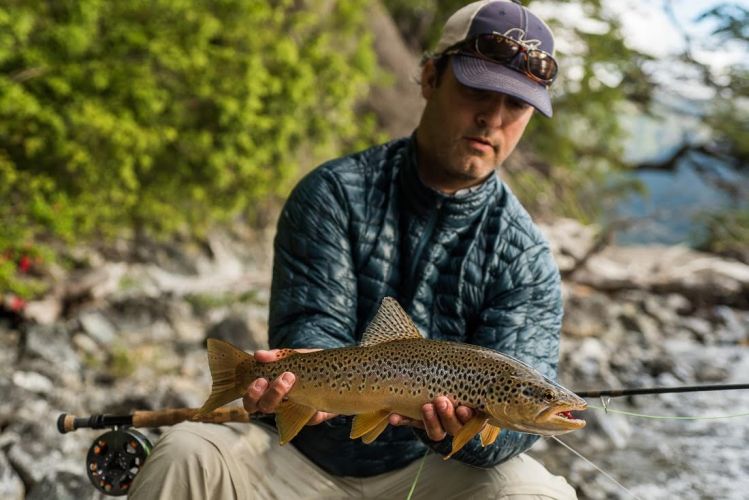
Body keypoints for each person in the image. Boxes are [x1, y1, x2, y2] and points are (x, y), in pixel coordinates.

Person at [129, 0, 576, 498]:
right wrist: (296, 375)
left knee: (540, 493)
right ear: (430, 78)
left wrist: (466, 431)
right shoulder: (334, 193)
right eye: (477, 89)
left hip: (429, 472)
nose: (493, 118)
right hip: (297, 456)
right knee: (183, 454)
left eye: (516, 104)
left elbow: (510, 431)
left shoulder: (526, 258)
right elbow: (312, 329)